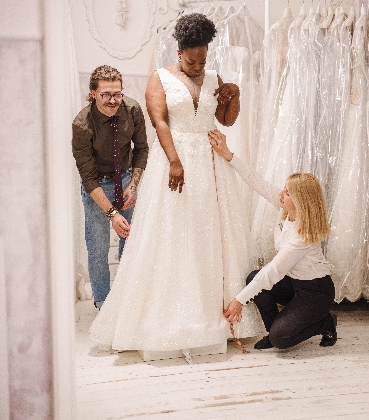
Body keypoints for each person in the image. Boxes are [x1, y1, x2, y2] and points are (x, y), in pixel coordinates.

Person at [89, 13, 262, 358]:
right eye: (191, 59)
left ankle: (215, 315)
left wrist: (234, 95)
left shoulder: (213, 76)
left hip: (211, 164)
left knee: (209, 234)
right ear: (179, 51)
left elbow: (225, 119)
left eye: (203, 58)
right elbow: (159, 122)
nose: (198, 66)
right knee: (172, 235)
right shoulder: (160, 78)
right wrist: (174, 160)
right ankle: (168, 319)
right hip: (176, 160)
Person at [208, 129, 338, 350]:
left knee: (282, 339)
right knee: (253, 278)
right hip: (293, 284)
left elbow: (274, 271)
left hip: (316, 292)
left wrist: (239, 300)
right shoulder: (287, 210)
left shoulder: (302, 236)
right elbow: (257, 182)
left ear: (299, 201)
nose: (281, 194)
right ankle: (274, 330)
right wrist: (228, 155)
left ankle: (325, 322)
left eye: (287, 193)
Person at [72, 65, 149, 309]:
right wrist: (112, 213)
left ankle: (128, 301)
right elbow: (87, 176)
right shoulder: (81, 124)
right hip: (97, 186)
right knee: (98, 249)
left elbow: (142, 149)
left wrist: (134, 185)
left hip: (126, 179)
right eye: (106, 95)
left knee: (132, 242)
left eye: (117, 94)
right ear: (93, 93)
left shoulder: (133, 109)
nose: (113, 100)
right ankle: (104, 305)